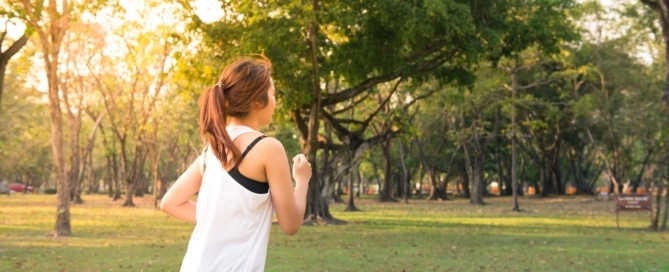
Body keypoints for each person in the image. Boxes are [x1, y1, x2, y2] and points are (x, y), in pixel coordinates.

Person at [160, 55, 311, 271]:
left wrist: (218, 220)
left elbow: (170, 203)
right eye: (273, 94)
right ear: (258, 101)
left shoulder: (212, 149)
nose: (275, 101)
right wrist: (302, 180)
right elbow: (291, 224)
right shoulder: (268, 148)